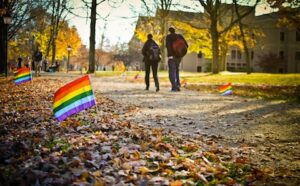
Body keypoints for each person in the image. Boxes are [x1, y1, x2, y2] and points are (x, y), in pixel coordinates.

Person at [165, 27, 188, 91]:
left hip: (172, 56)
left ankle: (174, 87)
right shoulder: (180, 36)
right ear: (175, 31)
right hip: (179, 56)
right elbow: (186, 45)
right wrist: (181, 54)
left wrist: (170, 55)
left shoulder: (168, 37)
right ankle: (178, 84)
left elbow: (168, 46)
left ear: (169, 31)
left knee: (171, 72)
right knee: (176, 70)